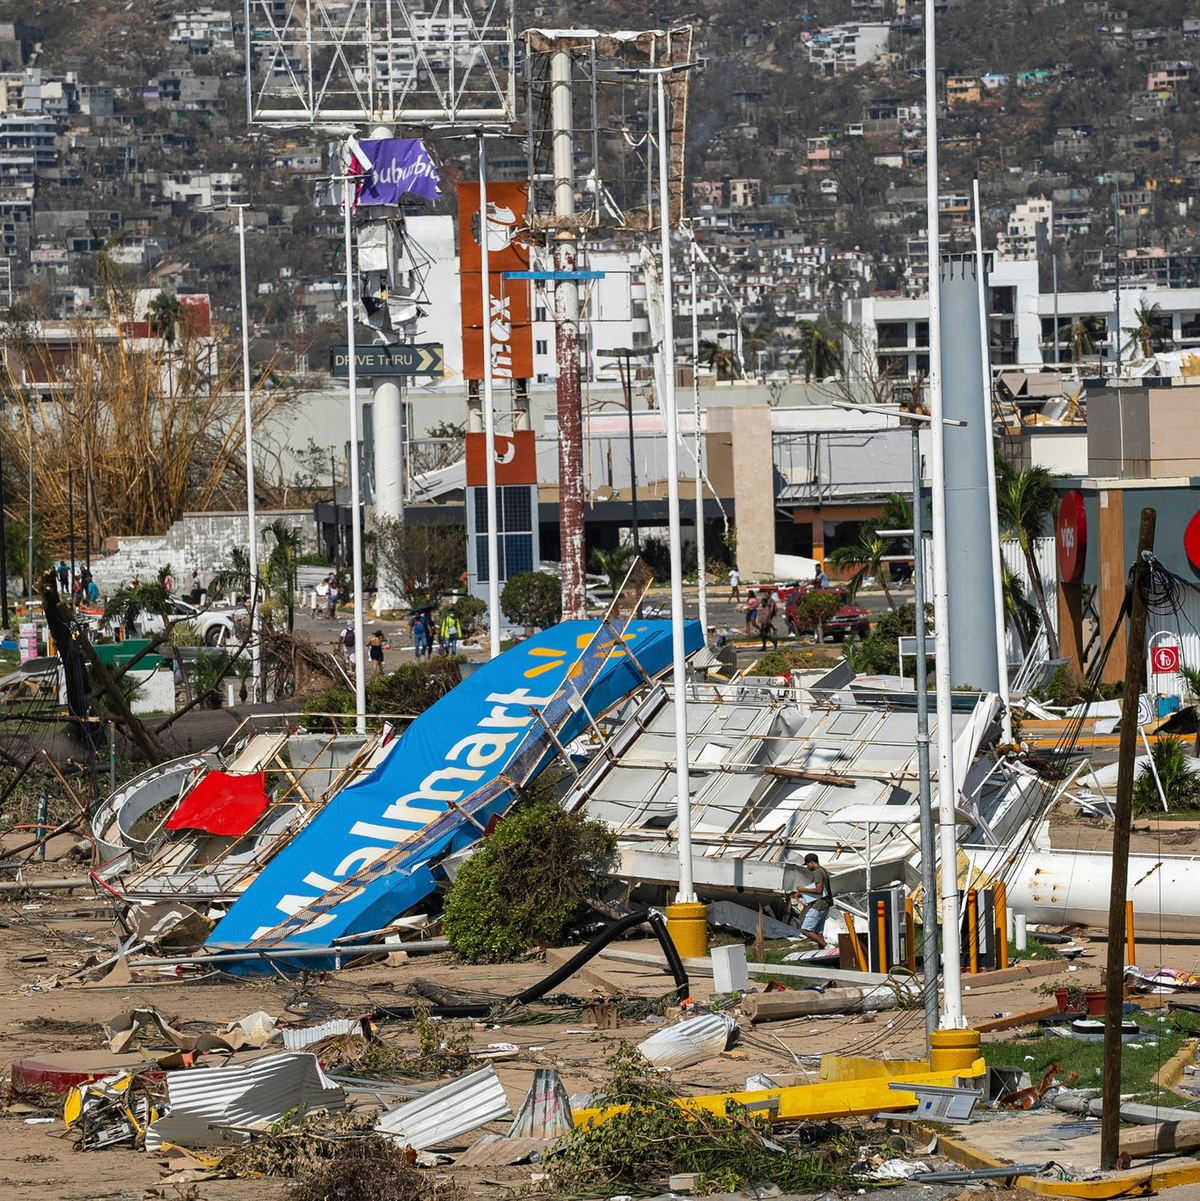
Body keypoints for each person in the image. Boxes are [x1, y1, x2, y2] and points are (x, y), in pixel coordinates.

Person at [792, 852, 834, 949]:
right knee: (818, 932)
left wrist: (803, 889)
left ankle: (827, 946)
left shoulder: (817, 872)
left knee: (805, 930)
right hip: (825, 905)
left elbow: (819, 890)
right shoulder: (823, 870)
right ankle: (823, 951)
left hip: (818, 906)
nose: (807, 867)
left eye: (807, 864)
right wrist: (802, 893)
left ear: (811, 862)